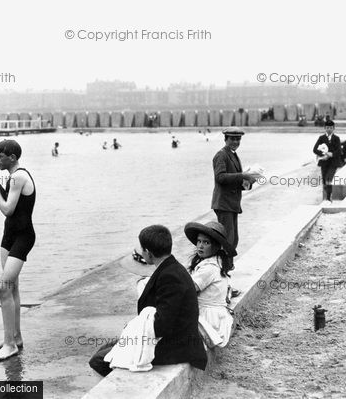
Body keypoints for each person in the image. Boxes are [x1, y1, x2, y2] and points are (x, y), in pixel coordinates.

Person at [89, 225, 207, 376]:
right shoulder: (171, 268)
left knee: (98, 360)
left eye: (142, 250)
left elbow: (162, 325)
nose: (141, 253)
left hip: (177, 346)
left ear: (149, 253)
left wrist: (135, 328)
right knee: (107, 347)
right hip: (176, 338)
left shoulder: (170, 277)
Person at [0, 139, 36, 362]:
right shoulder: (12, 177)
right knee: (11, 287)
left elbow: (7, 209)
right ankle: (15, 337)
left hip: (23, 237)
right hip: (8, 237)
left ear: (12, 158)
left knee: (2, 288)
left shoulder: (19, 177)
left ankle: (9, 345)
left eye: (0, 157)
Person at [184, 221, 236, 348]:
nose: (200, 246)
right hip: (214, 315)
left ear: (217, 246)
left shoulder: (209, 268)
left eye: (206, 242)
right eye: (199, 241)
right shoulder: (216, 261)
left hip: (209, 319)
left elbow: (188, 290)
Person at [211, 127, 263, 249]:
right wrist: (243, 175)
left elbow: (233, 181)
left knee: (233, 239)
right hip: (224, 204)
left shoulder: (233, 155)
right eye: (232, 139)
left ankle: (228, 265)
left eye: (238, 139)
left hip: (231, 203)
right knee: (228, 239)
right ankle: (225, 266)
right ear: (225, 139)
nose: (236, 142)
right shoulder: (221, 155)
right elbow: (220, 177)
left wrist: (249, 182)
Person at [312, 120, 343, 203]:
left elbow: (339, 150)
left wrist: (331, 154)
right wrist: (323, 155)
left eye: (331, 128)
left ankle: (329, 198)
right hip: (324, 162)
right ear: (325, 128)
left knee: (329, 178)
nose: (329, 129)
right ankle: (326, 196)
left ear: (334, 128)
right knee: (324, 180)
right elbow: (315, 149)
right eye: (327, 128)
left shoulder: (336, 138)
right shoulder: (321, 138)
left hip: (333, 163)